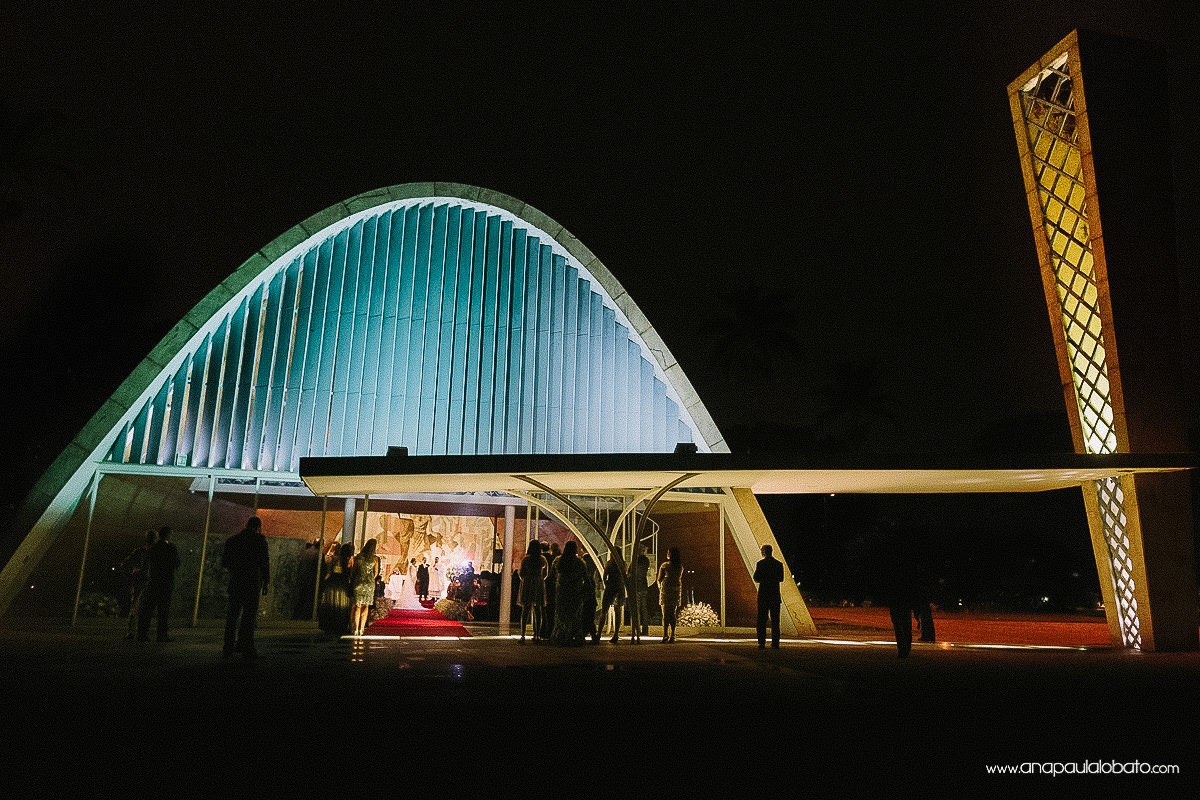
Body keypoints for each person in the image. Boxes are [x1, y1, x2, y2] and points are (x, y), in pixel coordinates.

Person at [221, 516, 270, 658]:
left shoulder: (233, 540)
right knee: (249, 616)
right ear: (258, 527)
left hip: (236, 581)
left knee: (232, 615)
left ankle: (228, 646)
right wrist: (266, 581)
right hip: (252, 583)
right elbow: (264, 562)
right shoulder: (260, 541)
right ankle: (246, 646)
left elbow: (225, 562)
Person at [137, 526, 179, 642]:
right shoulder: (171, 548)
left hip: (154, 581)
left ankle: (142, 633)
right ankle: (161, 635)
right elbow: (176, 563)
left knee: (148, 609)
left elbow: (148, 563)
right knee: (163, 611)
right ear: (168, 535)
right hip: (166, 583)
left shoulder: (153, 548)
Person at [548, 541, 588, 646]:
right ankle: (572, 636)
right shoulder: (580, 563)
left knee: (561, 614)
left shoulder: (558, 561)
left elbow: (551, 576)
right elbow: (586, 578)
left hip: (562, 591)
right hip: (575, 591)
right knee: (574, 615)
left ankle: (561, 636)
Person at [121, 529, 155, 640]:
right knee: (141, 607)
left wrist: (132, 574)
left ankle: (133, 632)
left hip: (142, 581)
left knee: (136, 607)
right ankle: (139, 632)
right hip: (145, 581)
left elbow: (125, 564)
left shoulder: (140, 551)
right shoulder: (146, 552)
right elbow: (125, 564)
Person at [753, 543, 784, 649]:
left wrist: (764, 579)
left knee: (762, 619)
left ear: (764, 552)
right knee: (775, 621)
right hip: (774, 595)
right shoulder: (778, 564)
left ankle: (761, 642)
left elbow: (756, 578)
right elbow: (781, 578)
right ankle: (775, 643)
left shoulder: (760, 564)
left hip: (764, 595)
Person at [318, 543, 354, 635]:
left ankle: (329, 625)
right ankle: (340, 625)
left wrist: (324, 582)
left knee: (331, 602)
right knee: (342, 603)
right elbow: (350, 574)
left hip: (333, 582)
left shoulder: (335, 559)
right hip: (343, 583)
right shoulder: (349, 561)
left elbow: (329, 572)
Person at [517, 540, 547, 642]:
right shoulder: (542, 559)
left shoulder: (526, 559)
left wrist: (526, 579)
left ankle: (522, 635)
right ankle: (537, 635)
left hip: (528, 583)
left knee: (525, 610)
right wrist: (539, 579)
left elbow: (521, 573)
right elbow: (545, 574)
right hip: (538, 583)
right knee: (538, 610)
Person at [350, 538, 379, 636]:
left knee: (358, 605)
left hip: (358, 582)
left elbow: (353, 571)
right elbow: (376, 573)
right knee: (366, 606)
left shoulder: (358, 557)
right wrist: (369, 578)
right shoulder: (374, 559)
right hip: (369, 584)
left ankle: (355, 628)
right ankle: (362, 629)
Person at [596, 552, 626, 643]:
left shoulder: (609, 563)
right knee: (618, 611)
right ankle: (616, 634)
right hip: (620, 588)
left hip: (610, 588)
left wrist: (607, 584)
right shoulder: (623, 564)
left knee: (604, 611)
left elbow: (604, 577)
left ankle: (598, 634)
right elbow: (625, 575)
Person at [656, 547, 683, 643]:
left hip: (666, 591)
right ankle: (673, 634)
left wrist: (660, 587)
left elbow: (659, 579)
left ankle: (665, 634)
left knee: (665, 614)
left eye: (668, 552)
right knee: (672, 613)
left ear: (670, 554)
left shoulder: (665, 566)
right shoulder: (679, 566)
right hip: (675, 590)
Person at [627, 545, 650, 639]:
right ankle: (645, 629)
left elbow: (630, 572)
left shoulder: (635, 561)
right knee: (644, 608)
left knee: (636, 609)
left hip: (636, 586)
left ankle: (637, 630)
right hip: (644, 586)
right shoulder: (646, 560)